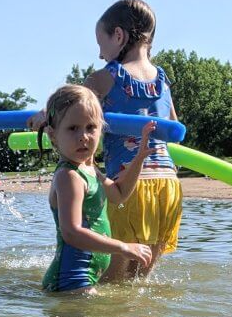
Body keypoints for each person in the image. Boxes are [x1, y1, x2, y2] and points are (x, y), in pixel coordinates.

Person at [29, 0, 181, 280]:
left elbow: (72, 104)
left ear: (119, 35)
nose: (100, 54)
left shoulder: (107, 76)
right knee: (139, 281)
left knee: (111, 280)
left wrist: (43, 115)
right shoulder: (163, 79)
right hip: (167, 185)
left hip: (129, 183)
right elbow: (172, 127)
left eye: (101, 44)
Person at [42, 85, 153, 293]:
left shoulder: (89, 169)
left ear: (101, 130)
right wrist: (123, 247)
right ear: (53, 135)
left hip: (83, 281)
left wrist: (139, 158)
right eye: (73, 128)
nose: (83, 136)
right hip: (70, 282)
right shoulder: (69, 176)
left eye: (90, 127)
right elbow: (71, 232)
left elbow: (119, 195)